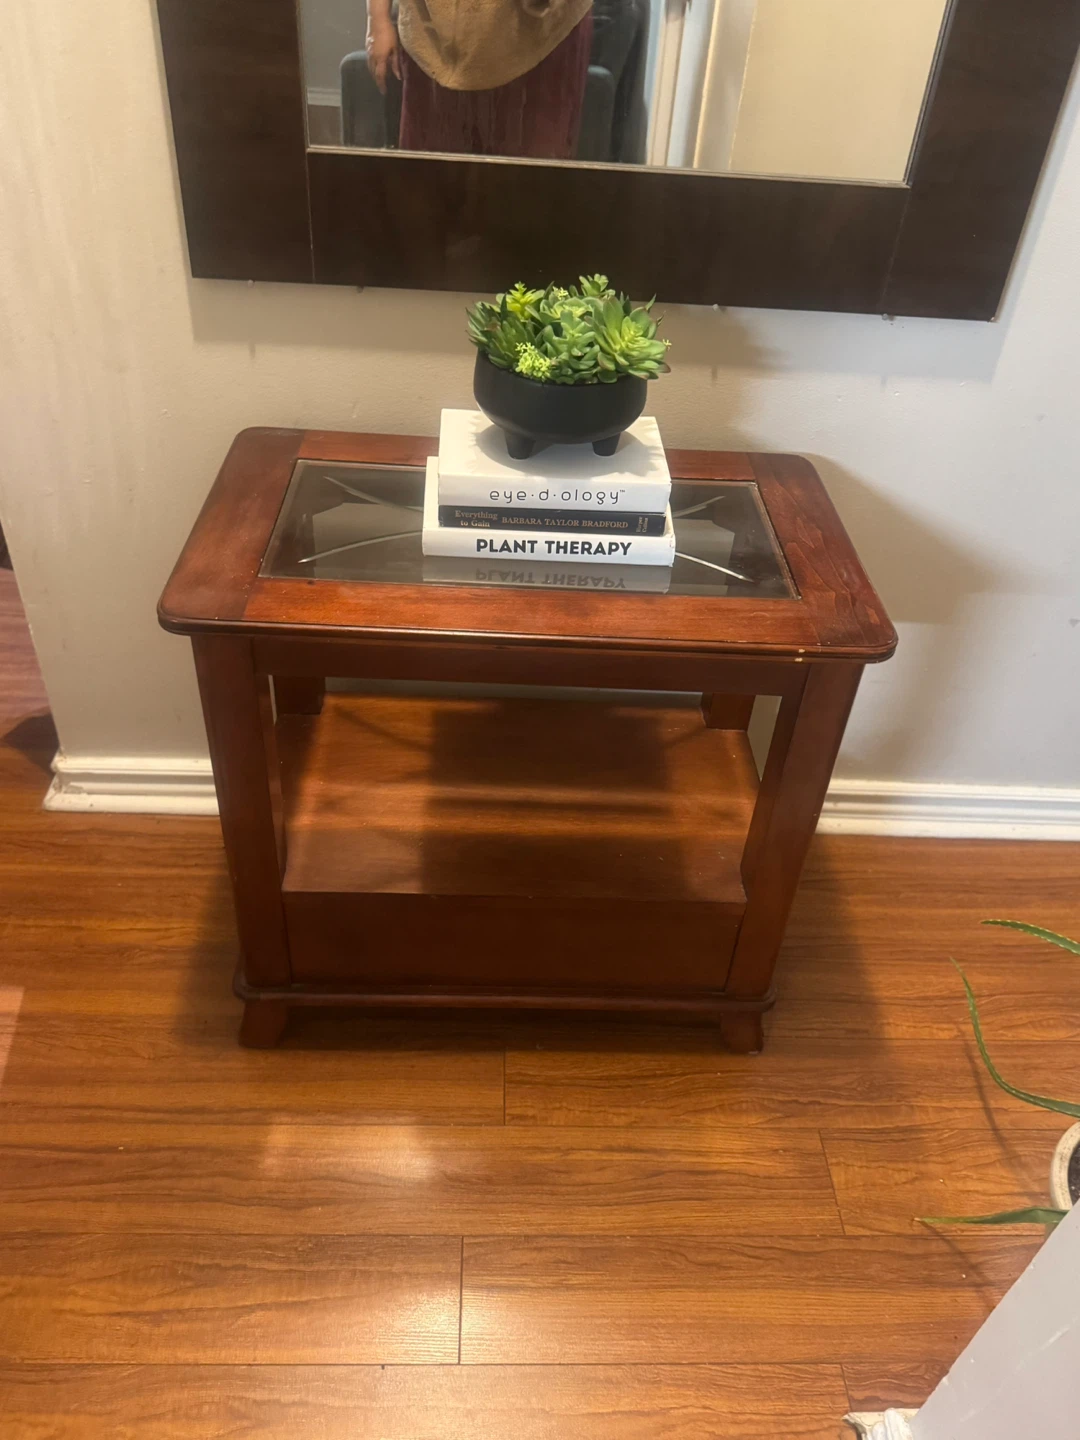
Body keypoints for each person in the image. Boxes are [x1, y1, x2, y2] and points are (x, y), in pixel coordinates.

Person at [366, 0, 593, 160]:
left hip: (538, 36)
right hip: (429, 33)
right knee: (430, 191)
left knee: (529, 194)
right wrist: (377, 18)